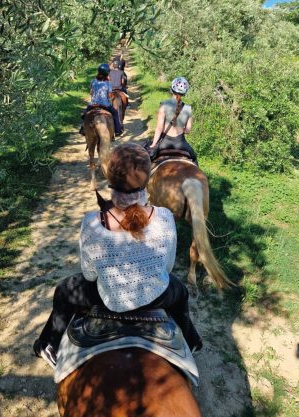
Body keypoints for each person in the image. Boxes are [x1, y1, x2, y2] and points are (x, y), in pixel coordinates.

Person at [33, 143, 202, 369]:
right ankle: (192, 341)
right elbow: (168, 268)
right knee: (180, 291)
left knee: (64, 290)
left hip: (107, 298)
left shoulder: (93, 222)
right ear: (146, 180)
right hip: (157, 295)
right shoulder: (164, 217)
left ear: (110, 178)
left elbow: (89, 274)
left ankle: (49, 344)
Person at [149, 77, 198, 164]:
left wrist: (154, 144)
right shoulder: (188, 108)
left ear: (172, 89)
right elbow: (187, 130)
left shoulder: (164, 105)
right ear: (185, 92)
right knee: (194, 158)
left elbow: (159, 128)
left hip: (165, 143)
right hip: (181, 144)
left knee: (149, 158)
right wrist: (180, 128)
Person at [79, 63, 123, 136]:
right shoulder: (108, 83)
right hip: (105, 105)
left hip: (93, 104)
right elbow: (109, 96)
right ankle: (118, 130)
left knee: (85, 114)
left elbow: (91, 92)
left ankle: (82, 128)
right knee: (115, 113)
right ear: (107, 73)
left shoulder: (93, 81)